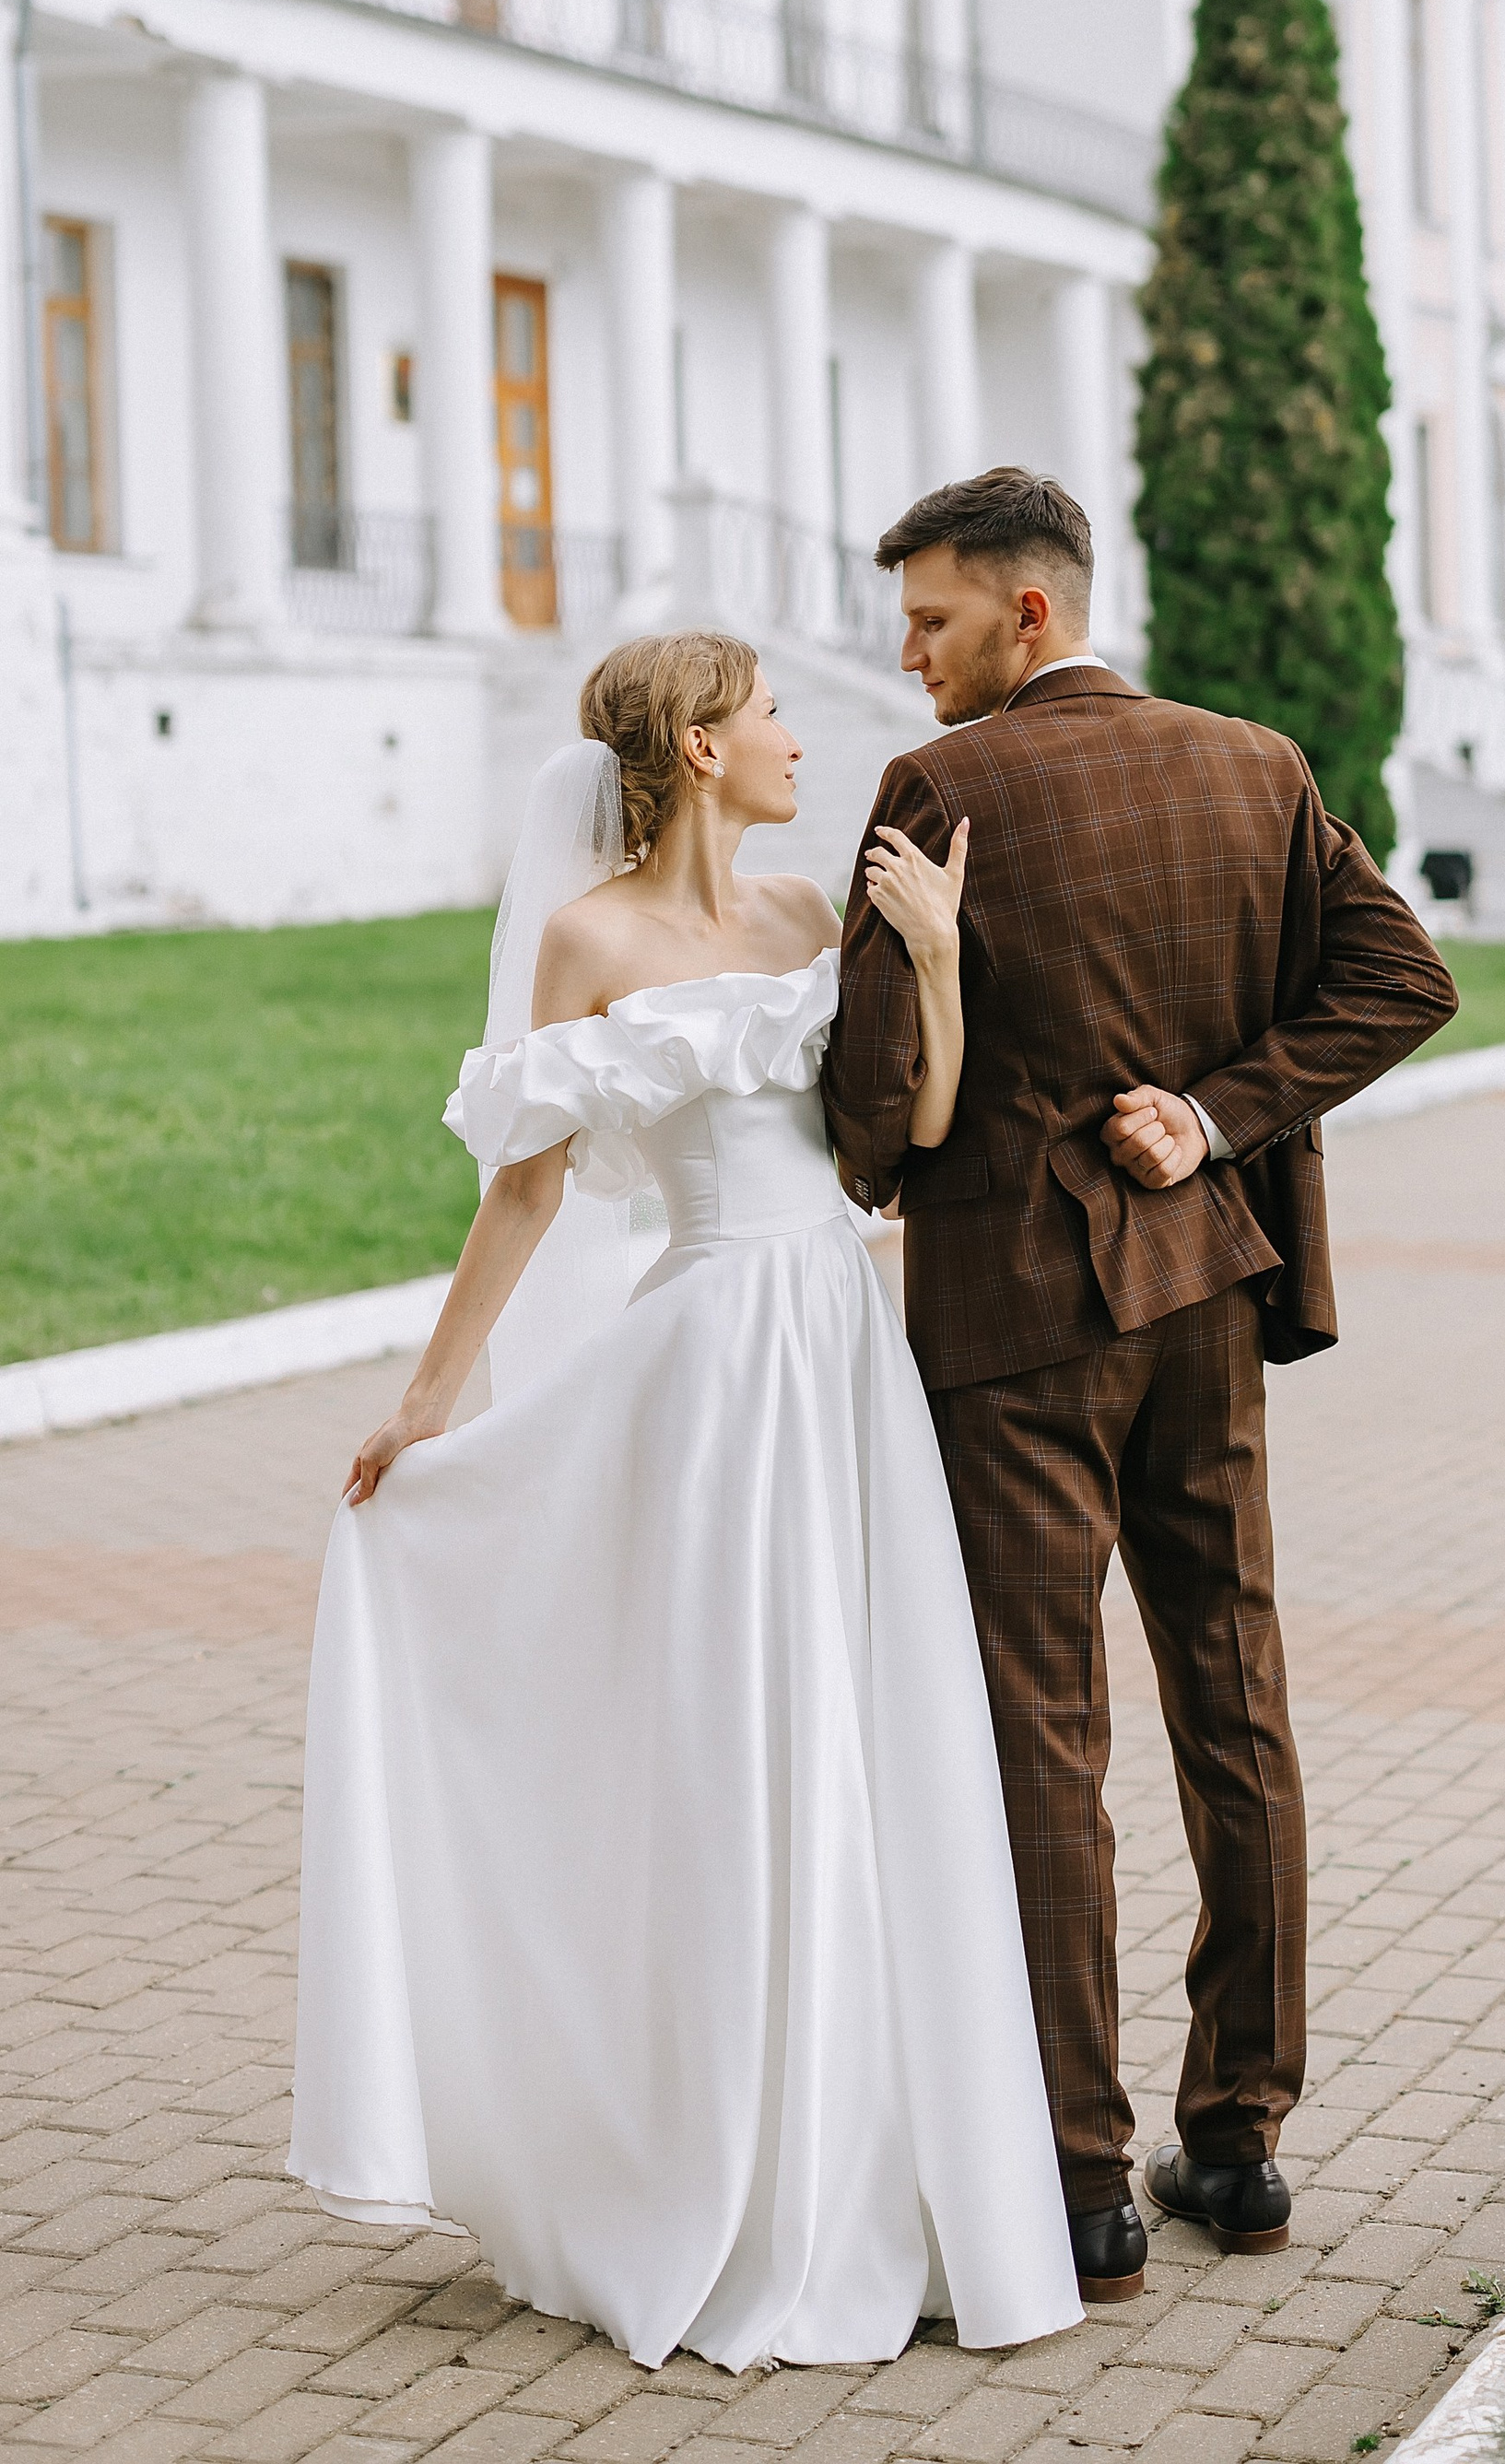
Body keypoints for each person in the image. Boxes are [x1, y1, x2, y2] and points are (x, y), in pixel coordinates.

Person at [288, 631, 1082, 2372]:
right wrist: (432, 1398)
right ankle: (706, 2162)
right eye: (777, 715)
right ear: (705, 748)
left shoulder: (812, 919)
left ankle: (881, 2163)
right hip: (712, 1367)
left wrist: (937, 967)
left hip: (844, 1352)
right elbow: (526, 1191)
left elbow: (906, 1143)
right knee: (739, 1739)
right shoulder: (586, 943)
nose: (805, 736)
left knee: (871, 1732)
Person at [824, 471, 1457, 2304]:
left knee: (1044, 1729)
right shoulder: (1254, 765)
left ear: (1027, 614)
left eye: (931, 617)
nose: (907, 652)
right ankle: (1242, 2143)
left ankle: (1083, 2179)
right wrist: (1217, 1114)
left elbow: (873, 1120)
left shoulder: (941, 792)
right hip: (1205, 1295)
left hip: (1017, 1322)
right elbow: (1394, 977)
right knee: (1232, 1698)